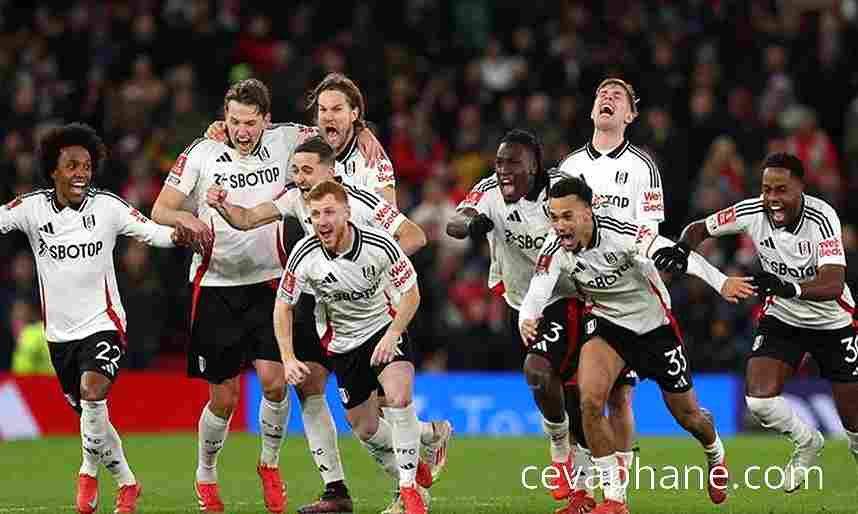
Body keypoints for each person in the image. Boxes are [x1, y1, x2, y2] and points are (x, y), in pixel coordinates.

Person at [206, 136, 451, 513]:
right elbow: (248, 218)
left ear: (331, 173)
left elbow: (414, 236)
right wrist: (223, 207)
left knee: (396, 398)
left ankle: (407, 492)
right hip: (326, 311)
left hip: (378, 312)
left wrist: (373, 272)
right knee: (355, 418)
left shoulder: (361, 204)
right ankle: (359, 477)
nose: (300, 179)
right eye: (296, 171)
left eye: (307, 171)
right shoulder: (296, 207)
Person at [519, 177, 753, 514]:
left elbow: (677, 254)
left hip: (654, 328)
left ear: (589, 212)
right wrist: (527, 317)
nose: (559, 226)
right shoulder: (554, 248)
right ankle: (614, 501)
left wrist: (721, 282)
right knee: (589, 403)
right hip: (606, 326)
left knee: (688, 417)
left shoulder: (623, 233)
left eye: (567, 216)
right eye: (554, 218)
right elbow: (537, 292)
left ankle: (715, 453)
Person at [0, 122, 196, 514]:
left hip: (103, 324)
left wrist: (177, 234)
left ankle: (87, 473)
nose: (80, 174)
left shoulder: (107, 206)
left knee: (93, 392)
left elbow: (149, 232)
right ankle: (127, 483)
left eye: (87, 166)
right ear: (53, 170)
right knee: (96, 421)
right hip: (59, 337)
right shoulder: (32, 208)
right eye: (72, 165)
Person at [652, 152, 858, 492]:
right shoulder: (751, 211)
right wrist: (682, 248)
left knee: (854, 425)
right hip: (784, 316)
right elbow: (700, 228)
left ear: (800, 189)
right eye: (766, 189)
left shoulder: (822, 218)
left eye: (781, 190)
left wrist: (788, 286)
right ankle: (807, 442)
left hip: (833, 322)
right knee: (760, 401)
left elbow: (833, 283)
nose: (773, 198)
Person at [556, 77, 716, 504]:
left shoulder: (643, 167)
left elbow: (649, 234)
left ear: (631, 115)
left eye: (618, 96)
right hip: (593, 299)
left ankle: (712, 450)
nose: (606, 98)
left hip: (640, 298)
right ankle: (609, 496)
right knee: (589, 396)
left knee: (665, 409)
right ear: (592, 110)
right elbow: (555, 229)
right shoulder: (569, 167)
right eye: (601, 94)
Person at [151, 78, 302, 513]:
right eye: (234, 121)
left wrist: (361, 132)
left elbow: (335, 135)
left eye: (250, 123)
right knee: (224, 398)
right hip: (215, 285)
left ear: (266, 120)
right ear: (224, 117)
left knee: (276, 383)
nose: (241, 130)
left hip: (270, 282)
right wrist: (187, 220)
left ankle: (269, 465)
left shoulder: (286, 139)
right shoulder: (200, 151)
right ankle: (206, 474)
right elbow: (161, 208)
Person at [446, 129, 597, 510]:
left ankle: (561, 448)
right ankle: (584, 490)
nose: (503, 170)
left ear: (535, 165)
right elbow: (457, 221)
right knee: (565, 393)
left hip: (567, 297)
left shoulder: (562, 191)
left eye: (513, 162)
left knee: (541, 373)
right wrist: (473, 224)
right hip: (519, 301)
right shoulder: (490, 190)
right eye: (498, 163)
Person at [275, 180, 428, 514]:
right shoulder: (303, 254)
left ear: (347, 212)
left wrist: (393, 335)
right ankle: (418, 457)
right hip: (344, 344)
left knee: (399, 396)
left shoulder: (380, 244)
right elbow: (282, 306)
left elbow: (412, 295)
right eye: (315, 214)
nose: (322, 221)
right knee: (365, 429)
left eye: (329, 212)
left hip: (384, 327)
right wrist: (287, 358)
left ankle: (409, 492)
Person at [207, 72, 397, 205]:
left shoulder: (372, 159)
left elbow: (392, 223)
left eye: (337, 109)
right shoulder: (301, 138)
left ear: (354, 114)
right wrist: (224, 126)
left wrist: (363, 129)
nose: (328, 116)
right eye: (323, 109)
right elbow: (255, 126)